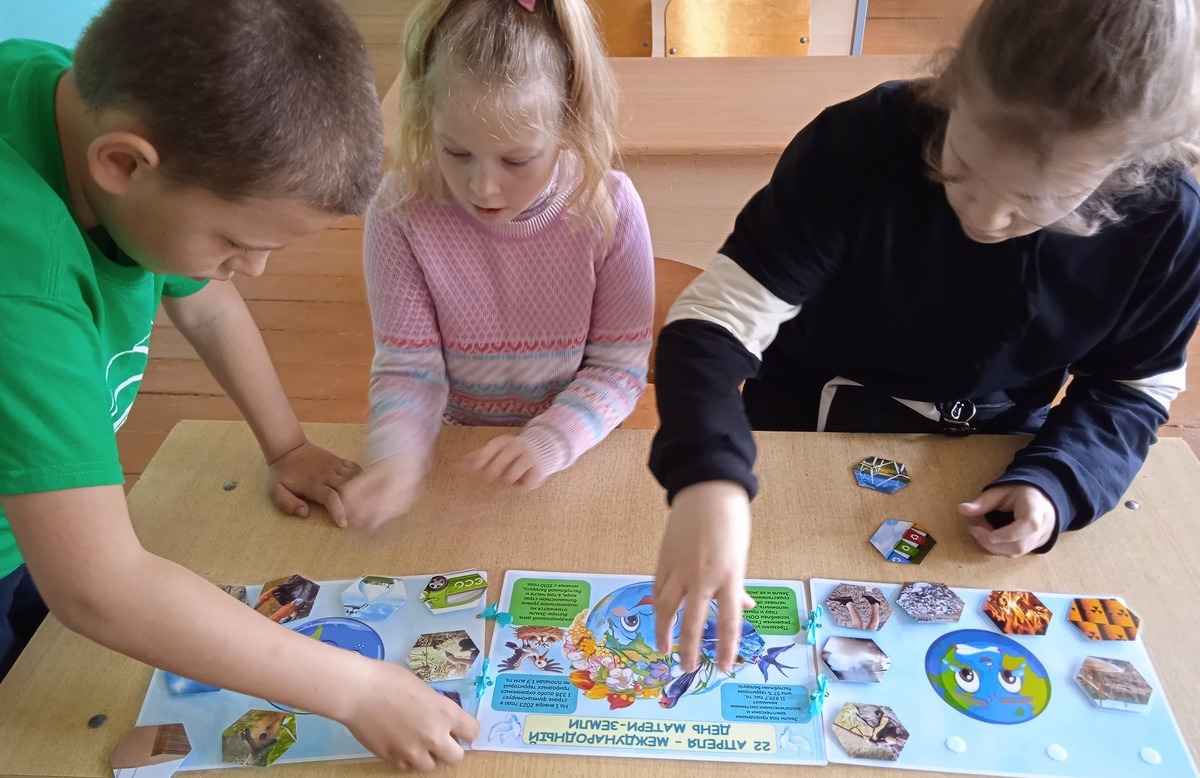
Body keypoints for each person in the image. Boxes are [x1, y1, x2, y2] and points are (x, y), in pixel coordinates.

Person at [648, 0, 1200, 674]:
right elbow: (715, 322)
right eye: (959, 165)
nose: (986, 217)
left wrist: (1061, 480)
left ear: (1125, 172)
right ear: (953, 85)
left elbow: (1130, 389)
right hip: (808, 420)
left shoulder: (1167, 220)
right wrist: (708, 475)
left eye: (1037, 203)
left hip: (995, 450)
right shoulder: (861, 141)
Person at [0, 0, 477, 769]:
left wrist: (285, 445)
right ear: (122, 164)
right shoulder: (22, 283)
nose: (250, 270)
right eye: (233, 240)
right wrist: (356, 690)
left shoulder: (85, 103)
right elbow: (97, 585)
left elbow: (208, 303)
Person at [340, 0, 654, 527]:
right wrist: (396, 457)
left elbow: (618, 368)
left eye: (516, 160)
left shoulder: (609, 209)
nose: (483, 188)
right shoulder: (401, 209)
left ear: (568, 122)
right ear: (426, 120)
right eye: (455, 152)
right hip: (456, 456)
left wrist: (551, 439)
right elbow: (408, 369)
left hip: (572, 452)